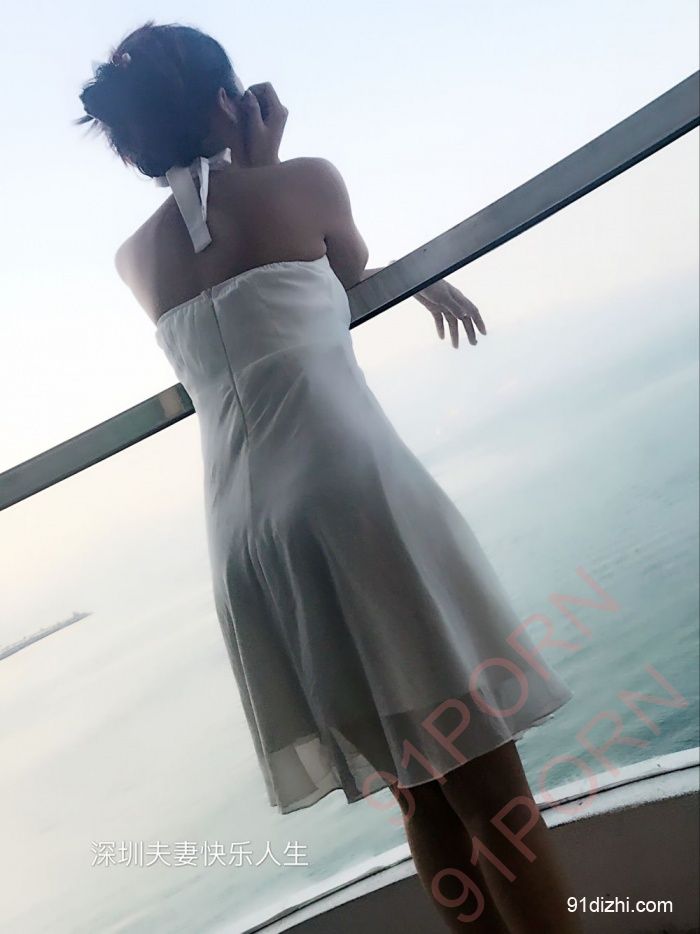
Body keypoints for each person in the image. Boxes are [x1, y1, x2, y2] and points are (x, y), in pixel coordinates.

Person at [77, 21, 580, 933]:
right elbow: (340, 270)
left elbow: (244, 266)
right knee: (498, 804)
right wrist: (266, 163)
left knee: (422, 799)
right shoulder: (304, 182)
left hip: (248, 540)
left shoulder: (134, 259)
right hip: (355, 505)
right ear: (228, 101)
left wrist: (248, 167)